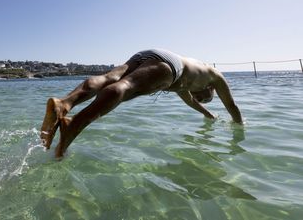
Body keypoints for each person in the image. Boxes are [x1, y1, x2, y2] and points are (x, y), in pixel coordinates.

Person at [40, 49, 243, 158]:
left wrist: (208, 115)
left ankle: (64, 103)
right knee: (126, 87)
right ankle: (72, 125)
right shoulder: (216, 76)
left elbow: (191, 102)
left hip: (151, 53)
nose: (199, 99)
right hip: (170, 66)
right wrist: (240, 127)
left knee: (109, 78)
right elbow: (231, 105)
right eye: (204, 98)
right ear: (211, 90)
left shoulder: (189, 82)